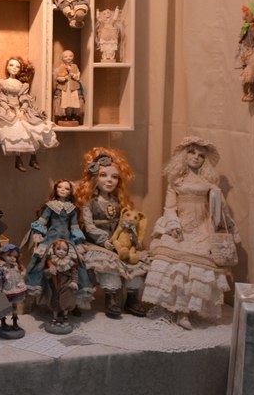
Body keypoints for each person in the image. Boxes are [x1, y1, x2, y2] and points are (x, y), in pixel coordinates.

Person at [142, 137, 239, 328]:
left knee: (196, 267)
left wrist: (227, 228)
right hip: (180, 226)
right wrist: (173, 225)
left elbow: (219, 209)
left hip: (203, 226)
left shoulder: (209, 182)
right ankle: (173, 306)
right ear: (183, 155)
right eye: (192, 152)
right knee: (175, 265)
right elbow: (170, 207)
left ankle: (184, 312)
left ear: (205, 160)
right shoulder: (176, 181)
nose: (196, 157)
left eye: (201, 155)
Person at [76, 147, 148, 319]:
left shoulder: (118, 201)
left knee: (134, 265)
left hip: (120, 243)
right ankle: (112, 299)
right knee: (110, 268)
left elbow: (126, 223)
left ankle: (132, 300)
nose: (109, 180)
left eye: (114, 177)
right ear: (94, 178)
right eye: (103, 175)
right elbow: (89, 226)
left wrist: (131, 237)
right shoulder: (90, 203)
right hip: (100, 244)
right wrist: (104, 240)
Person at [23, 179, 93, 309]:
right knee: (40, 262)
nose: (63, 190)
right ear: (55, 189)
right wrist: (38, 235)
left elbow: (74, 227)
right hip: (51, 238)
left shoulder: (72, 208)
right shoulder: (51, 206)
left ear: (70, 192)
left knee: (75, 264)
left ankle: (71, 302)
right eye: (60, 187)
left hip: (67, 239)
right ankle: (44, 297)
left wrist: (78, 242)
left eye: (67, 188)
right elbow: (43, 221)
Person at [0, 56, 58, 171]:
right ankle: (18, 159)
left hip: (20, 109)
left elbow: (24, 99)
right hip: (8, 109)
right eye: (11, 65)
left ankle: (33, 157)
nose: (14, 68)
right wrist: (8, 110)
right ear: (7, 67)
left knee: (30, 129)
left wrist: (22, 110)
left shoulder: (22, 85)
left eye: (17, 66)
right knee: (15, 131)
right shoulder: (2, 83)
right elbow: (1, 99)